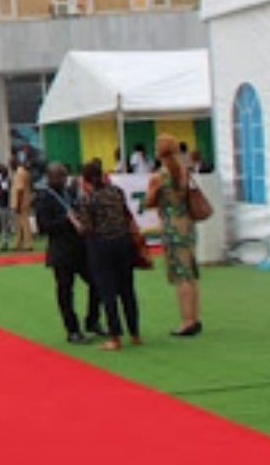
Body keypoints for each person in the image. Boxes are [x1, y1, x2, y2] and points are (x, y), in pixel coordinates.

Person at [71, 161, 141, 351]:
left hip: (101, 247)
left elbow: (87, 228)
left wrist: (75, 221)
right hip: (123, 242)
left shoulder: (88, 199)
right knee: (127, 290)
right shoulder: (116, 192)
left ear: (85, 181)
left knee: (108, 292)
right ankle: (135, 332)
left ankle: (114, 336)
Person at [33, 165, 101, 343]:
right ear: (50, 178)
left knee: (97, 283)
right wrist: (67, 221)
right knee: (65, 292)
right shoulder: (44, 198)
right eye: (59, 176)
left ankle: (92, 321)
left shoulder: (69, 193)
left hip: (80, 249)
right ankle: (72, 330)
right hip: (61, 252)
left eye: (64, 176)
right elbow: (43, 227)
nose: (63, 179)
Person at [146, 134, 203, 337]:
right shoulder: (183, 172)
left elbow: (148, 202)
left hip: (171, 225)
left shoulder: (159, 177)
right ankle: (195, 317)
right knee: (190, 272)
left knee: (181, 276)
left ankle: (186, 320)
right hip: (187, 222)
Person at [10, 158, 36, 252]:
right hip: (23, 201)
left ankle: (28, 244)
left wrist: (18, 204)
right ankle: (18, 243)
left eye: (11, 163)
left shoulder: (19, 173)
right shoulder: (22, 172)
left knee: (24, 224)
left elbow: (20, 190)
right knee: (19, 225)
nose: (10, 165)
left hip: (21, 202)